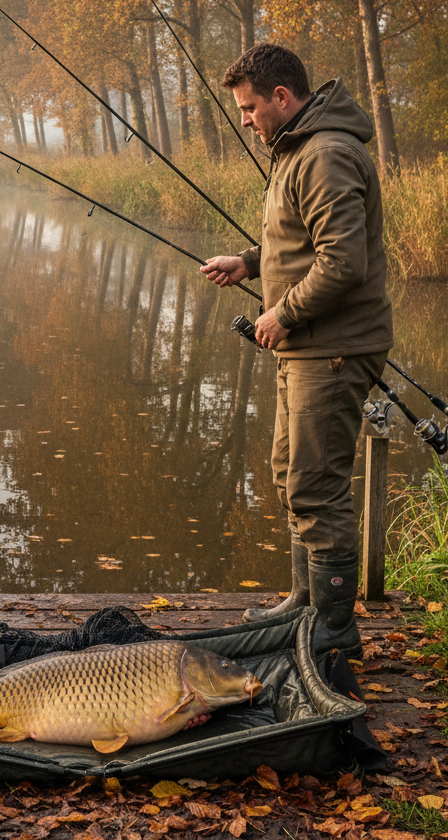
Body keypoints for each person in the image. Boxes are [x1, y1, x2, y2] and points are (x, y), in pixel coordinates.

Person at [201, 42, 393, 656]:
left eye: (250, 107)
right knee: (292, 478)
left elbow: (343, 264)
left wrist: (283, 311)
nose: (247, 120)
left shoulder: (326, 153)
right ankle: (302, 605)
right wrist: (251, 263)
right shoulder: (299, 150)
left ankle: (334, 632)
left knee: (318, 488)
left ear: (282, 97)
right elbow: (304, 246)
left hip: (332, 349)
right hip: (308, 347)